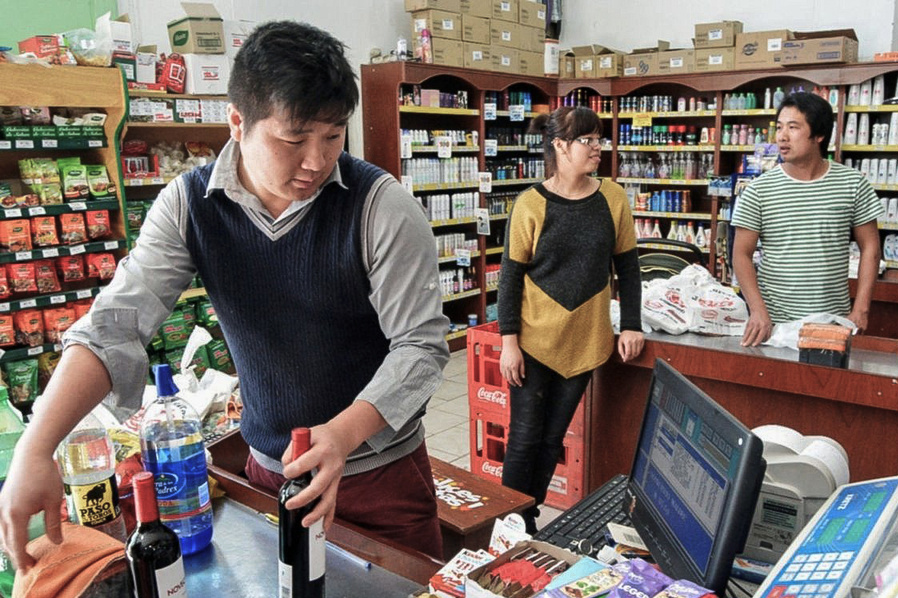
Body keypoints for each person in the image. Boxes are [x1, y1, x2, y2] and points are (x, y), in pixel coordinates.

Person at [0, 21, 450, 570]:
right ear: (237, 122)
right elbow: (114, 324)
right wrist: (36, 446)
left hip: (379, 477)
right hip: (269, 470)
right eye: (294, 139)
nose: (316, 160)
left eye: (334, 136)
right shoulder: (190, 206)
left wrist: (342, 434)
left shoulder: (380, 207)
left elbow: (421, 348)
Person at [497, 106, 645, 533]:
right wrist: (509, 341)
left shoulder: (612, 197)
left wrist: (632, 323)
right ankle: (507, 527)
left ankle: (529, 518)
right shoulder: (530, 203)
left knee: (551, 437)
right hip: (533, 340)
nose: (598, 148)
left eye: (600, 139)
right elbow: (510, 278)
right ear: (560, 145)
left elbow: (628, 268)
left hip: (584, 339)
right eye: (589, 140)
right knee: (524, 437)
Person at [732, 92, 883, 347]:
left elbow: (871, 248)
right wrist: (757, 311)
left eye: (793, 127)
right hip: (775, 326)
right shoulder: (759, 189)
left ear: (819, 135)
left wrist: (861, 309)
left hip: (833, 324)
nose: (782, 136)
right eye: (779, 127)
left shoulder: (852, 183)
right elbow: (741, 255)